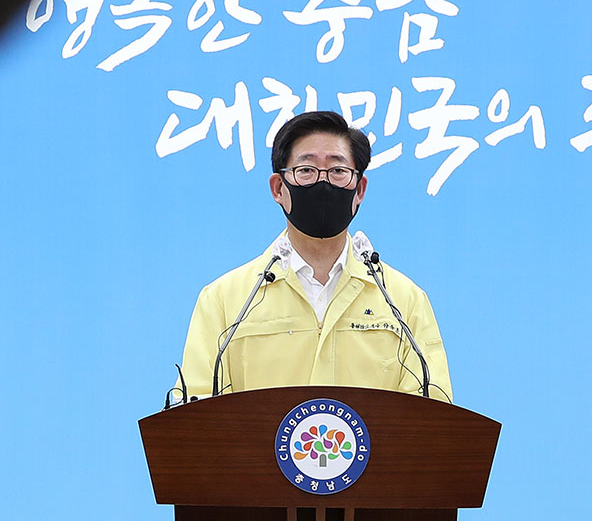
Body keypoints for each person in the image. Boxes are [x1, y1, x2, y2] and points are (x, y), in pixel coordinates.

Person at [178, 109, 454, 400]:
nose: (323, 182)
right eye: (306, 170)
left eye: (338, 171)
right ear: (278, 188)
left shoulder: (403, 300)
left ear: (359, 190)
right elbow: (197, 412)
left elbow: (432, 412)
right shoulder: (225, 300)